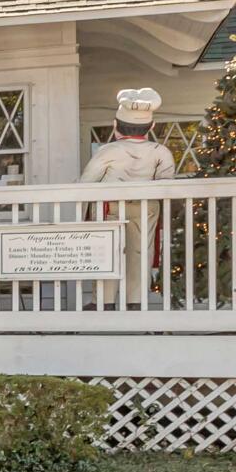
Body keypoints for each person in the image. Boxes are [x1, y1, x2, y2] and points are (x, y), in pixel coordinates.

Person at [81, 88, 175, 308]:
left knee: (107, 253)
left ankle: (103, 302)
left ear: (115, 125)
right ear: (151, 127)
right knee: (140, 253)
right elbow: (166, 183)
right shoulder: (160, 151)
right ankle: (136, 301)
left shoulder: (108, 150)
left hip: (110, 207)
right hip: (146, 208)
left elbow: (87, 181)